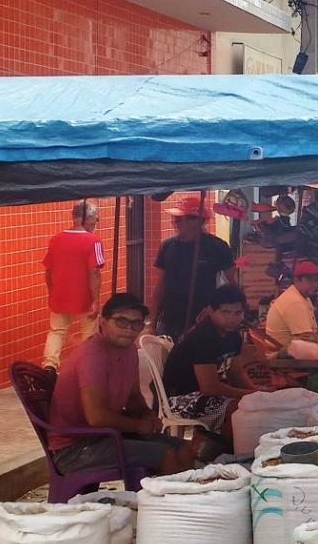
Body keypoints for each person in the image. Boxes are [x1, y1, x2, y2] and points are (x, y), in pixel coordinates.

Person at [48, 293, 202, 476]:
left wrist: (147, 415)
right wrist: (138, 426)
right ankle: (170, 503)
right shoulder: (92, 356)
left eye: (137, 323)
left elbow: (133, 396)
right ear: (102, 322)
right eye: (121, 321)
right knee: (166, 455)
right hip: (74, 449)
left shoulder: (129, 351)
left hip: (105, 436)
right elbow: (96, 417)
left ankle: (187, 500)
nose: (129, 329)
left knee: (184, 448)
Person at [162, 284, 257, 438]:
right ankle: (226, 455)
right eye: (226, 312)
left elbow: (237, 373)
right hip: (180, 399)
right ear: (211, 311)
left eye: (238, 313)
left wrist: (257, 394)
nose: (233, 318)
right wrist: (249, 395)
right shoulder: (204, 336)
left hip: (209, 395)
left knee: (254, 405)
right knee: (237, 409)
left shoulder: (233, 336)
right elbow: (209, 387)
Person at [152, 197, 236, 339]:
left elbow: (231, 285)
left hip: (203, 319)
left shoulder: (218, 247)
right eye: (174, 219)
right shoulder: (167, 246)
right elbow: (160, 286)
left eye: (179, 219)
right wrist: (151, 324)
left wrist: (215, 308)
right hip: (169, 320)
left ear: (197, 221)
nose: (174, 223)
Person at [41, 200, 105, 369]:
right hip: (84, 296)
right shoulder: (93, 241)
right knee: (89, 334)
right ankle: (88, 367)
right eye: (95, 219)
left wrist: (51, 293)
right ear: (87, 218)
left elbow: (48, 271)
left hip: (60, 296)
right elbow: (94, 272)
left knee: (56, 331)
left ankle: (50, 366)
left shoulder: (56, 239)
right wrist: (96, 300)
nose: (96, 223)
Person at [265, 260, 318, 347]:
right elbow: (306, 338)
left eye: (316, 280)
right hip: (282, 357)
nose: (315, 285)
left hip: (293, 351)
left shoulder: (303, 297)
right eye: (310, 280)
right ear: (296, 280)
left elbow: (311, 333)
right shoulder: (294, 301)